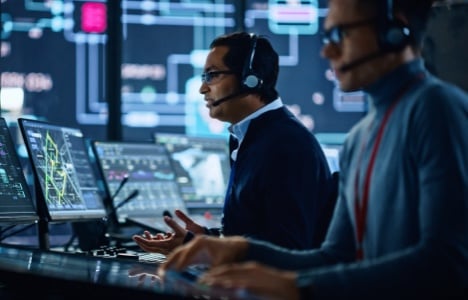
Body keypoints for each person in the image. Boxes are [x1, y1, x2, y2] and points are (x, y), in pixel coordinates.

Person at [157, 0, 468, 299]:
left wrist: (299, 288)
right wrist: (239, 250)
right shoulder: (359, 138)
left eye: (340, 34)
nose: (327, 50)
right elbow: (336, 257)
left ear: (394, 30)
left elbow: (446, 264)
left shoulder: (434, 108)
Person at [133, 32, 334, 253]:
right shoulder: (249, 134)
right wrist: (205, 238)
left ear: (251, 78)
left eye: (212, 76)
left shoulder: (286, 145)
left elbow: (288, 248)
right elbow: (254, 231)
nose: (203, 89)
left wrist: (205, 249)